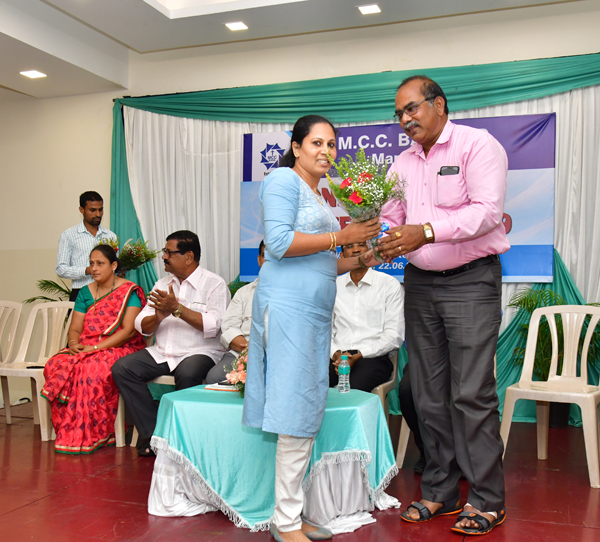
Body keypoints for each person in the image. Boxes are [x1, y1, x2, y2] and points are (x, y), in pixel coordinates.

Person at [378, 75, 510, 535]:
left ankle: (487, 498)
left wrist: (427, 231)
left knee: (470, 393)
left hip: (471, 282)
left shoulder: (477, 145)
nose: (405, 119)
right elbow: (392, 218)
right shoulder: (401, 163)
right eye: (399, 113)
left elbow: (487, 212)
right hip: (420, 284)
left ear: (438, 104)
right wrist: (382, 235)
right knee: (427, 393)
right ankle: (440, 489)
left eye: (411, 108)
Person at [242, 115, 381, 542]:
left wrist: (366, 257)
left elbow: (322, 262)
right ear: (297, 147)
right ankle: (285, 522)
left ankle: (293, 513)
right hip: (288, 310)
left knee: (304, 412)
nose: (326, 151)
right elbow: (279, 243)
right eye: (317, 143)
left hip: (313, 315)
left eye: (332, 144)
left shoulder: (318, 194)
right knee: (293, 413)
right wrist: (341, 236)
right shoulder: (282, 180)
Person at [112, 230, 229, 457]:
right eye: (164, 251)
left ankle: (184, 442)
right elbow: (141, 324)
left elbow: (215, 325)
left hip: (200, 351)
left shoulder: (214, 284)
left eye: (169, 252)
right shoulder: (162, 284)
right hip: (162, 352)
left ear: (189, 256)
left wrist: (177, 309)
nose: (164, 257)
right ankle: (154, 435)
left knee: (188, 373)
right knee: (123, 368)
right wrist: (158, 316)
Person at [41, 244, 146, 454]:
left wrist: (95, 347)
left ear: (113, 265)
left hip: (120, 347)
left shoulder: (129, 291)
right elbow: (75, 328)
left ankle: (98, 431)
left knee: (90, 368)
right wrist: (73, 344)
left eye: (100, 263)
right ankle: (69, 427)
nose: (94, 268)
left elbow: (128, 332)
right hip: (87, 346)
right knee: (55, 364)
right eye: (91, 263)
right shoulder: (85, 292)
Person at [329, 241, 404, 392]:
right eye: (350, 246)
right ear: (341, 256)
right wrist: (337, 354)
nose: (356, 249)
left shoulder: (389, 284)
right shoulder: (333, 286)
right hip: (337, 356)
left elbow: (394, 336)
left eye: (361, 245)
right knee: (311, 385)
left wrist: (359, 355)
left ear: (370, 251)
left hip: (372, 358)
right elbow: (324, 332)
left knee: (353, 390)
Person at [206, 240, 265, 384]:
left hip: (280, 355)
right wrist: (248, 351)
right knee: (215, 377)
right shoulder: (244, 292)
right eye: (266, 257)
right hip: (242, 352)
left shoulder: (296, 294)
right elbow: (229, 326)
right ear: (259, 260)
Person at [56, 191, 117, 302]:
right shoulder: (69, 235)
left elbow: (114, 265)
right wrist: (87, 270)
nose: (98, 214)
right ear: (81, 210)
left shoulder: (110, 236)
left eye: (100, 210)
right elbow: (61, 269)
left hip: (108, 292)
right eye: (92, 210)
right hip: (80, 292)